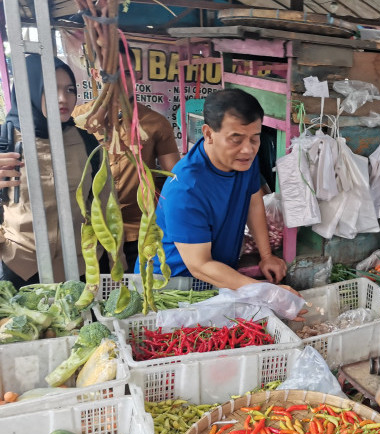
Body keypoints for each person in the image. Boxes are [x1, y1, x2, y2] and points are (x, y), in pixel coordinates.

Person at [144, 88, 290, 293]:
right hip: (172, 286)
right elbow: (200, 266)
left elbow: (253, 200)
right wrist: (267, 292)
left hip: (218, 278)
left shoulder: (244, 160)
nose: (247, 149)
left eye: (254, 138)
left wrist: (267, 256)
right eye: (236, 139)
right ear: (208, 134)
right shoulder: (186, 188)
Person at [73, 41, 180, 272]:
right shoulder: (78, 121)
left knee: (136, 293)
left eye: (127, 75)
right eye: (108, 75)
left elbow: (176, 177)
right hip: (90, 230)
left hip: (137, 232)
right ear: (95, 75)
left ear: (138, 76)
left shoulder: (156, 123)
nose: (118, 83)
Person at [0, 55, 99, 288]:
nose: (63, 99)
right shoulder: (5, 141)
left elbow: (102, 203)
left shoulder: (86, 142)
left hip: (79, 266)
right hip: (20, 266)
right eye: (50, 89)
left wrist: (114, 257)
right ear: (29, 91)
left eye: (70, 89)